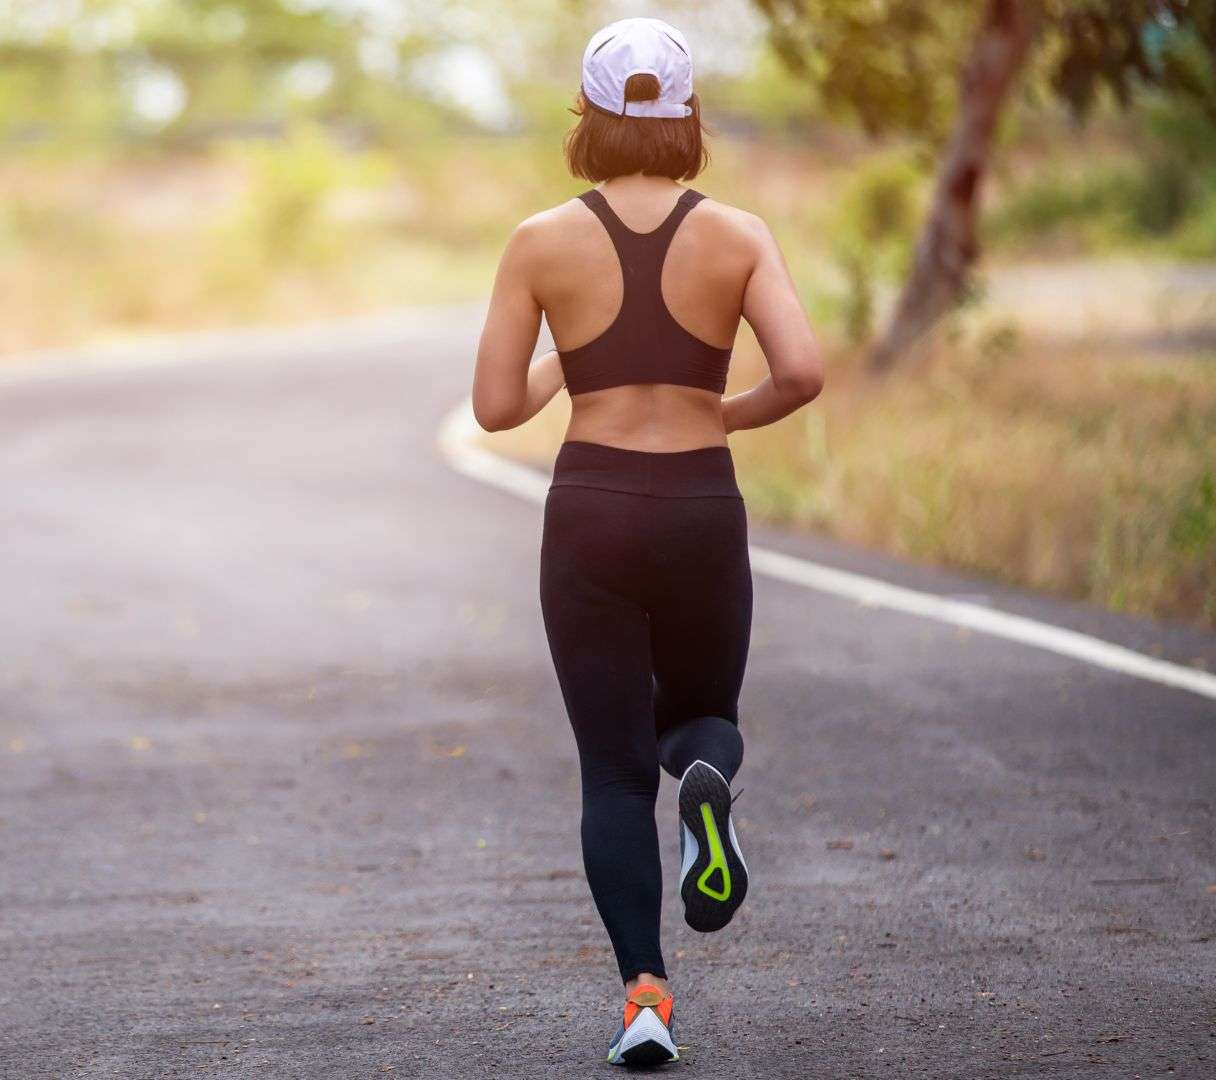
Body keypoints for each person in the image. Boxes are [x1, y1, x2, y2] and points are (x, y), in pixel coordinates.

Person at [470, 15, 825, 1067]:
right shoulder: (739, 234)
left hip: (590, 509)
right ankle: (708, 790)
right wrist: (725, 413)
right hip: (699, 506)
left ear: (587, 119)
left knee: (613, 774)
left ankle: (644, 998)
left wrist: (574, 363)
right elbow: (802, 372)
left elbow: (493, 407)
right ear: (687, 117)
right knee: (704, 716)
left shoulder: (540, 241)